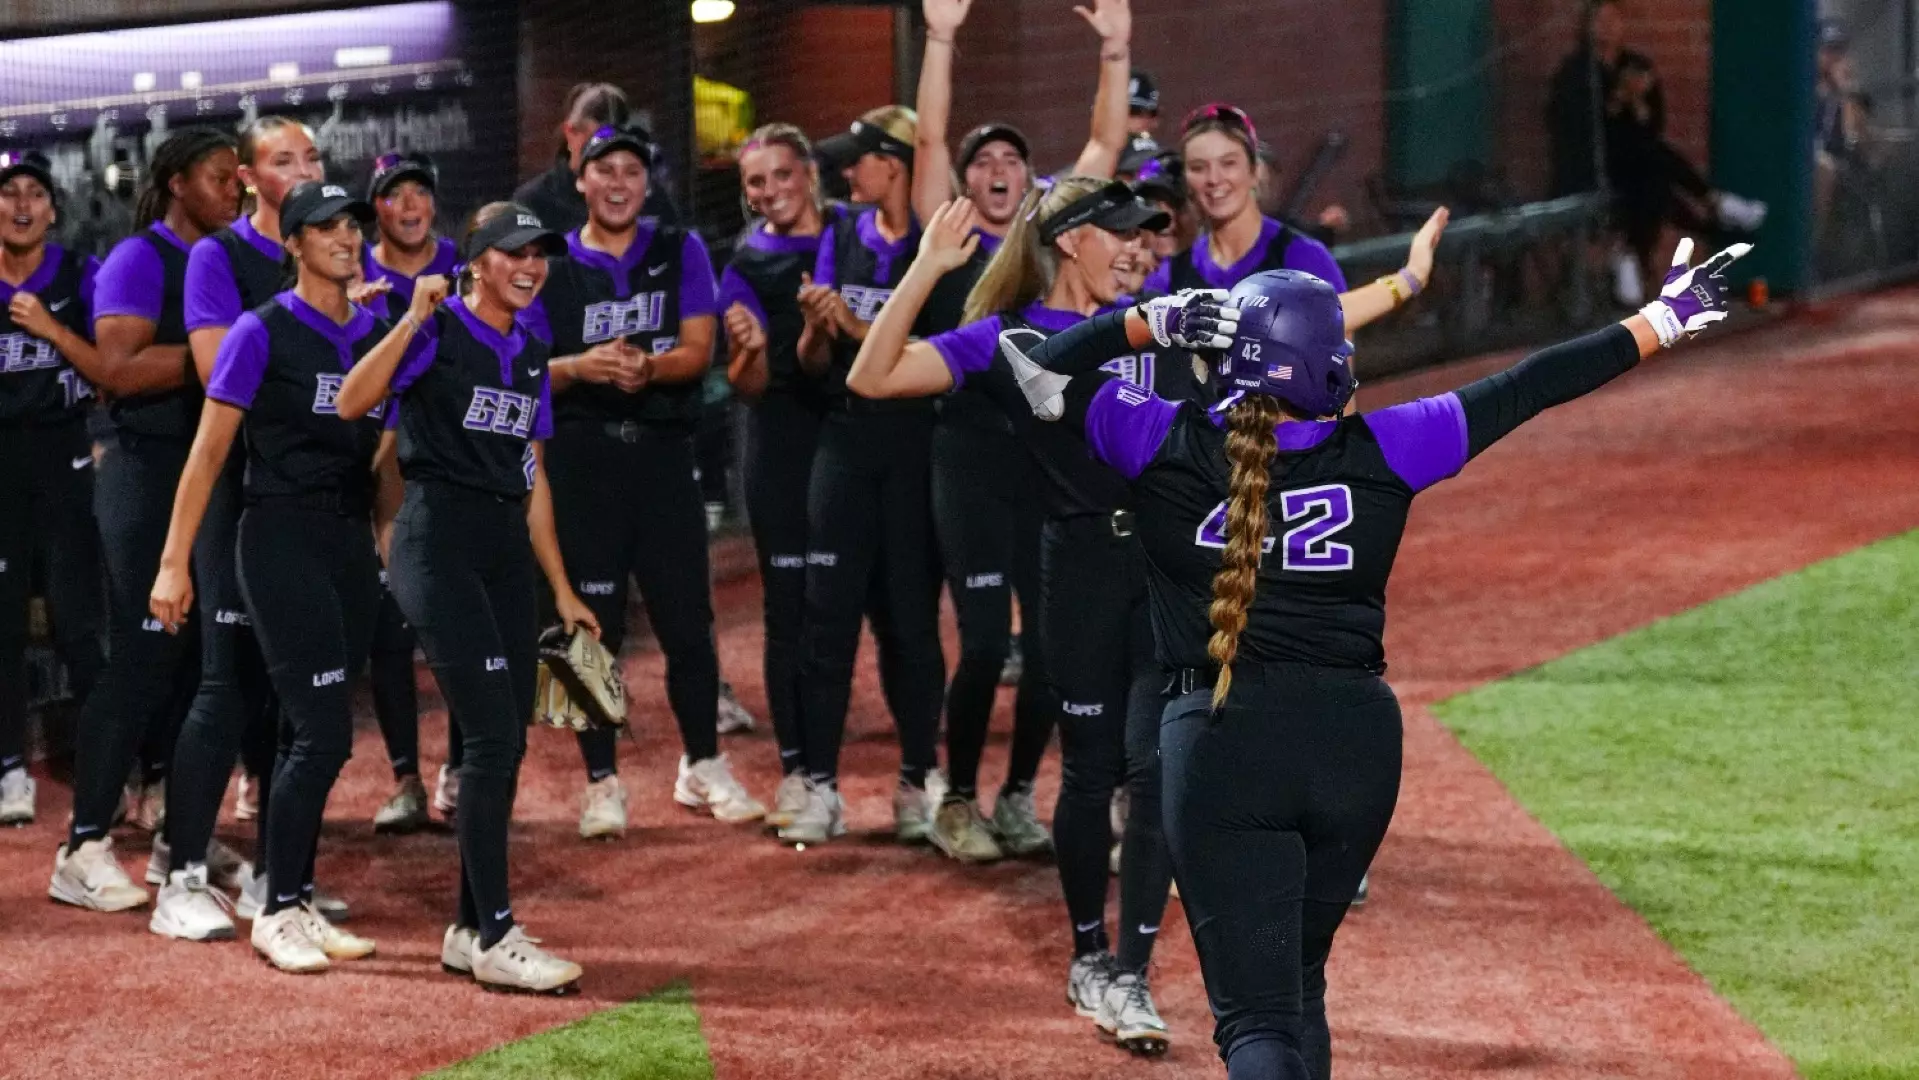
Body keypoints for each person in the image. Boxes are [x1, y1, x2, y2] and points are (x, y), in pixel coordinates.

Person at [1000, 239, 1748, 1079]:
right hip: (1355, 748)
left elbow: (1024, 370)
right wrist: (1663, 317)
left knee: (1254, 1023)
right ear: (1324, 370)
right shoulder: (1392, 447)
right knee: (1299, 981)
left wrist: (1144, 325)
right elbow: (1533, 383)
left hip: (1220, 746)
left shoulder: (1157, 440)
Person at [849, 182, 1446, 1053]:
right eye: (1119, 234)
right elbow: (872, 375)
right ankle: (1087, 953)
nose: (1139, 250)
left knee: (1156, 769)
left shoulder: (1175, 315)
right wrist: (929, 267)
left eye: (1145, 237)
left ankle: (1127, 971)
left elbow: (1297, 327)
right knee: (1090, 771)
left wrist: (1405, 282)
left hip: (1170, 569)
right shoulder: (1021, 333)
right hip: (1082, 568)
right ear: (1066, 244)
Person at [334, 201, 597, 993]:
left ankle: (464, 927)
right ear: (476, 262)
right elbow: (352, 401)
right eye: (513, 252)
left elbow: (531, 473)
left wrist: (560, 586)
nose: (529, 265)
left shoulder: (531, 347)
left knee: (503, 737)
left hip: (501, 550)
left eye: (538, 254)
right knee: (489, 740)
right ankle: (495, 933)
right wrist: (412, 319)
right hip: (437, 541)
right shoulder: (441, 329)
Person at [905, 0, 1133, 862]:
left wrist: (1114, 49)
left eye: (1011, 158)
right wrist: (939, 36)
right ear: (965, 184)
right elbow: (929, 142)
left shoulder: (1047, 242)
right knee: (984, 642)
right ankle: (955, 795)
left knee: (1047, 653)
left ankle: (1013, 797)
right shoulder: (954, 244)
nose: (996, 168)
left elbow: (1103, 155)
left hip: (1044, 468)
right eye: (982, 161)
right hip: (967, 463)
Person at [147, 182, 388, 965]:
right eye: (327, 228)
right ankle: (279, 909)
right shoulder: (262, 330)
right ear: (294, 243)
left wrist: (392, 543)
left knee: (305, 729)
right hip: (278, 536)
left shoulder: (377, 329)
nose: (346, 238)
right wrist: (174, 562)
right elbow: (209, 453)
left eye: (353, 225)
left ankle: (294, 891)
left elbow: (387, 454)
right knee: (320, 731)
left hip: (348, 543)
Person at [523, 124, 763, 839]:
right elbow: (527, 364)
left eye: (632, 169)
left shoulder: (678, 246)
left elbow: (698, 348)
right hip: (581, 463)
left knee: (688, 621)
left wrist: (644, 368)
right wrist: (580, 368)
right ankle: (601, 780)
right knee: (585, 628)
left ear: (646, 182)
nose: (620, 182)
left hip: (660, 458)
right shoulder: (550, 263)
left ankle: (703, 762)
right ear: (581, 182)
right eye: (605, 170)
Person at [50, 128, 239, 913]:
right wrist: (217, 350)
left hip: (211, 475)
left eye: (238, 178)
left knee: (202, 660)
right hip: (142, 474)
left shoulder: (227, 262)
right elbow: (118, 370)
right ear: (175, 182)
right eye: (219, 177)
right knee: (142, 652)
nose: (235, 190)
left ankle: (177, 835)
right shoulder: (139, 258)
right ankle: (84, 843)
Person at [165, 114, 332, 928]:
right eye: (282, 159)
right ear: (248, 178)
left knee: (288, 696)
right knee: (226, 685)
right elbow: (211, 370)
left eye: (312, 156)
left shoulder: (331, 249)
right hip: (235, 491)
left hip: (311, 499)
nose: (302, 169)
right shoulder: (219, 256)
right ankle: (182, 877)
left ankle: (278, 877)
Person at [775, 105, 947, 845]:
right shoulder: (841, 232)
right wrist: (817, 327)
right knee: (826, 620)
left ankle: (916, 781)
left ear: (898, 162)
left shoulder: (940, 243)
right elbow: (814, 366)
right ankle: (818, 783)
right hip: (842, 444)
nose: (848, 173)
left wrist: (851, 327)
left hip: (915, 452)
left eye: (861, 158)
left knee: (910, 625)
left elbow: (936, 354)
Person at [717, 123, 850, 828]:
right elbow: (748, 385)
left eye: (780, 175)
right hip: (779, 444)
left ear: (808, 174)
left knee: (866, 613)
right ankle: (799, 770)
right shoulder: (742, 264)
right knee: (788, 611)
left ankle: (918, 780)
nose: (769, 192)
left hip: (856, 443)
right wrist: (757, 349)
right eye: (754, 183)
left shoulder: (855, 237)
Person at [0, 152, 106, 827]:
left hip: (65, 459)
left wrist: (51, 330)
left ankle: (108, 767)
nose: (21, 205)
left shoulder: (79, 276)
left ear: (53, 210)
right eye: (8, 192)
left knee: (78, 625)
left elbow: (109, 370)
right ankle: (10, 768)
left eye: (36, 193)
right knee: (2, 625)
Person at [360, 149, 463, 832]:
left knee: (460, 615)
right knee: (391, 620)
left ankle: (460, 766)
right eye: (395, 195)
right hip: (375, 459)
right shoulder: (352, 270)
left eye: (419, 191)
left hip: (456, 456)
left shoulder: (465, 263)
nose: (409, 205)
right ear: (377, 207)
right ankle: (404, 777)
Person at [1545, 0, 1764, 300]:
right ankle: (1712, 208)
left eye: (1613, 20)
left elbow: (1652, 126)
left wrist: (1637, 102)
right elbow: (1582, 129)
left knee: (1653, 178)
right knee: (1654, 168)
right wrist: (1619, 98)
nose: (1606, 28)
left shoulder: (1635, 64)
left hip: (1635, 163)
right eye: (1599, 20)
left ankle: (1630, 256)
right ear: (1586, 26)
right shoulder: (1576, 72)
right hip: (1591, 166)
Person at [514, 82, 677, 234]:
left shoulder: (651, 198)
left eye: (617, 145)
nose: (605, 155)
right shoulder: (533, 203)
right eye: (593, 144)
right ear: (570, 133)